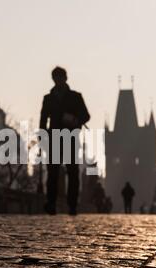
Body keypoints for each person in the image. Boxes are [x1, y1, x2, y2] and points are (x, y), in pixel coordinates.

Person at [40, 67, 90, 215]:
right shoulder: (48, 98)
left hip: (70, 138)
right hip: (54, 139)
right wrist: (42, 136)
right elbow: (43, 119)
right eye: (56, 77)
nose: (58, 80)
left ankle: (72, 205)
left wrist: (75, 120)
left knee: (73, 173)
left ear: (65, 78)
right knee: (53, 173)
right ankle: (51, 203)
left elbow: (86, 116)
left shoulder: (76, 96)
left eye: (60, 77)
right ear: (53, 79)